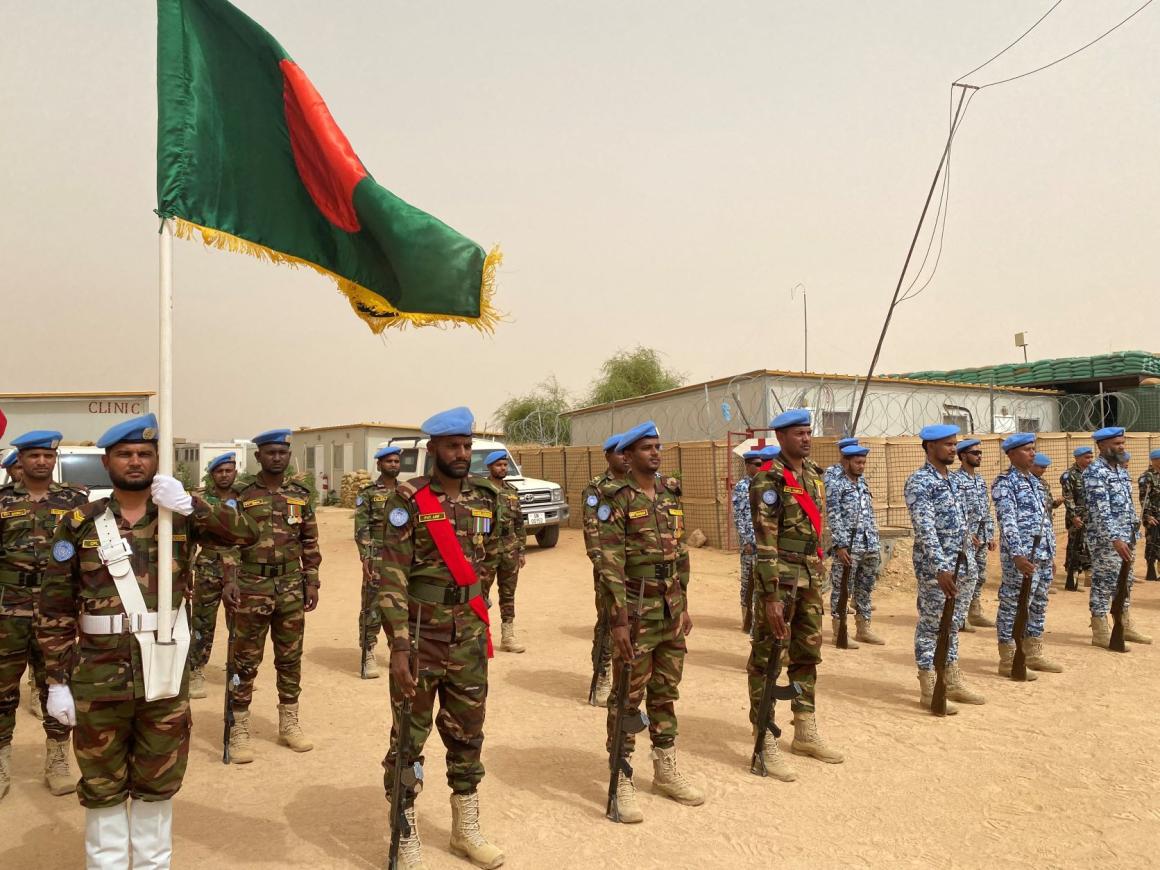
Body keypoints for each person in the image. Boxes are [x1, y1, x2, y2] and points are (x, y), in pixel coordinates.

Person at [37, 413, 256, 868]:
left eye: (144, 454)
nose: (135, 461)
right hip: (98, 675)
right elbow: (55, 607)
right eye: (124, 454)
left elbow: (247, 535)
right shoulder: (80, 523)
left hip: (164, 672)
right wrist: (55, 681)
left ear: (157, 460)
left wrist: (192, 504)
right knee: (102, 785)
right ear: (107, 462)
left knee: (158, 781)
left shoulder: (177, 515)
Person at [375, 407, 504, 868]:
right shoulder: (409, 500)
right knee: (409, 736)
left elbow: (492, 557)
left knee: (467, 732)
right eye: (453, 446)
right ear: (433, 450)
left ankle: (464, 828)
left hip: (468, 636)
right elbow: (391, 576)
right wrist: (398, 645)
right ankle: (404, 828)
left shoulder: (486, 498)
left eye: (467, 445)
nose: (462, 453)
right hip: (420, 635)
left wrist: (475, 605)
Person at [598, 420, 702, 822]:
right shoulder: (616, 499)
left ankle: (664, 768)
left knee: (665, 691)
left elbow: (681, 554)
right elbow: (610, 564)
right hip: (636, 610)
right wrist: (619, 621)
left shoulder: (670, 494)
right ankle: (622, 775)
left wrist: (684, 603)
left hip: (670, 608)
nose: (655, 453)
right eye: (647, 448)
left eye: (658, 446)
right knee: (627, 694)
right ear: (628, 455)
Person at [748, 409, 844, 782]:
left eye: (808, 432)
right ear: (781, 437)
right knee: (769, 657)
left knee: (807, 653)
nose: (806, 439)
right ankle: (765, 737)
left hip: (810, 577)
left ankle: (804, 728)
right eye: (799, 433)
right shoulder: (768, 479)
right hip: (781, 580)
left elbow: (817, 530)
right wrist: (771, 595)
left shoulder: (814, 476)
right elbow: (765, 541)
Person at [0, 430, 88, 801]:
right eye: (33, 455)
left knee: (57, 681)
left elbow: (88, 555)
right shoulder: (3, 501)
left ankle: (57, 759)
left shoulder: (74, 501)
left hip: (58, 608)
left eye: (47, 456)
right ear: (20, 460)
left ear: (55, 459)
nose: (41, 461)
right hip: (9, 607)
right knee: (3, 688)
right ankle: (2, 760)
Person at [224, 429, 321, 763]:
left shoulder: (300, 495)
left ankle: (289, 721)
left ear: (288, 456)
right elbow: (229, 540)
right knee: (245, 659)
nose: (277, 457)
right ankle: (239, 726)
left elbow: (309, 540)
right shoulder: (241, 494)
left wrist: (312, 580)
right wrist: (230, 579)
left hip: (291, 586)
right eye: (270, 452)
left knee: (290, 657)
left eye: (282, 452)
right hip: (252, 585)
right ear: (258, 457)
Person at [904, 424, 985, 714]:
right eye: (948, 444)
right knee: (932, 625)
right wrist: (940, 567)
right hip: (937, 570)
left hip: (963, 565)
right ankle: (930, 686)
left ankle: (950, 678)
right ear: (930, 447)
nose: (953, 449)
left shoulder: (954, 481)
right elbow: (925, 528)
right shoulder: (919, 482)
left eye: (954, 444)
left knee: (952, 625)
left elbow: (966, 523)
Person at [991, 437, 1061, 676]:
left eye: (1033, 449)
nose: (1032, 453)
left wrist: (1050, 555)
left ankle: (1033, 653)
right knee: (1013, 606)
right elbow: (1007, 521)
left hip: (1042, 555)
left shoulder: (1036, 483)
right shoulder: (1005, 483)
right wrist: (1018, 555)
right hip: (1022, 558)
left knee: (1039, 604)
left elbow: (1045, 522)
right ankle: (1009, 658)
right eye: (1027, 450)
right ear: (1011, 454)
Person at [1083, 427, 1151, 647]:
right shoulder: (1095, 472)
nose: (1122, 447)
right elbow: (1100, 510)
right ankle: (1100, 630)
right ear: (1102, 446)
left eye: (1123, 443)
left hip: (1126, 537)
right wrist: (1115, 538)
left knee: (1125, 581)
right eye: (1117, 443)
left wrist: (1133, 530)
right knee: (1104, 582)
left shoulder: (1120, 470)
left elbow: (1127, 504)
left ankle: (1124, 624)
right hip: (1107, 541)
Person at [188, 452, 242, 698]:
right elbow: (189, 538)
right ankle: (196, 670)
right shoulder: (199, 500)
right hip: (208, 565)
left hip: (238, 568)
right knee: (202, 622)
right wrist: (185, 572)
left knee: (239, 622)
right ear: (212, 475)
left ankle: (237, 672)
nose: (224, 475)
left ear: (235, 472)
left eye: (228, 470)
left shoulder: (245, 498)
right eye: (219, 471)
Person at [581, 434, 626, 706]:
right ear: (607, 456)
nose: (624, 457)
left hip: (637, 568)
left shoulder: (639, 484)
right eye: (619, 452)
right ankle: (602, 675)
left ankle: (627, 678)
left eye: (626, 451)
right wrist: (603, 567)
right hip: (609, 568)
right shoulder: (596, 488)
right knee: (609, 621)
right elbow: (592, 530)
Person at [824, 443, 883, 647]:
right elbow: (834, 515)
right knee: (842, 589)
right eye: (858, 462)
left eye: (864, 462)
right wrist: (840, 545)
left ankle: (863, 629)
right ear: (847, 462)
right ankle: (840, 631)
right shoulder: (837, 483)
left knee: (865, 588)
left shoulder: (862, 483)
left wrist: (874, 541)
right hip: (849, 546)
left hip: (869, 544)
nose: (861, 466)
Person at [354, 445, 402, 678]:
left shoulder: (407, 491)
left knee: (400, 604)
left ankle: (398, 650)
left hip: (402, 556)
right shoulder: (369, 492)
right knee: (372, 605)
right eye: (389, 461)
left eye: (396, 461)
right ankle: (368, 652)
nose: (393, 464)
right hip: (377, 555)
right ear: (379, 464)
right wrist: (366, 555)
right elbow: (361, 527)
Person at [951, 439, 996, 632]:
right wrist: (967, 534)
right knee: (963, 576)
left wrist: (990, 534)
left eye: (980, 453)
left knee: (980, 575)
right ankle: (958, 616)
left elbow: (986, 510)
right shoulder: (955, 481)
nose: (979, 456)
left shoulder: (980, 480)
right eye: (975, 453)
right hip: (965, 538)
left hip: (981, 536)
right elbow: (955, 512)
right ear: (962, 456)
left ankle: (974, 612)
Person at [485, 450, 528, 653]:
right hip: (487, 551)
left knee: (508, 594)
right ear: (490, 467)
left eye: (504, 465)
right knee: (480, 594)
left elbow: (519, 523)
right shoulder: (481, 491)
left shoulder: (512, 491)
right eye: (498, 465)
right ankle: (481, 635)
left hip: (510, 550)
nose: (503, 468)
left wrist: (521, 550)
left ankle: (508, 636)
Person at [731, 449, 764, 633]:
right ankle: (747, 617)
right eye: (757, 464)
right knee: (747, 581)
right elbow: (739, 517)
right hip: (750, 543)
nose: (760, 467)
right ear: (747, 466)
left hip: (765, 543)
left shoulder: (765, 484)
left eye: (762, 464)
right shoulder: (742, 487)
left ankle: (758, 616)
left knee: (762, 581)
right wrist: (746, 541)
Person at [1061, 446, 1094, 590]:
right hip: (1077, 517)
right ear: (1077, 458)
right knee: (1075, 546)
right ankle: (1072, 576)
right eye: (1087, 457)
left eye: (1091, 457)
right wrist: (1073, 516)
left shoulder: (1093, 473)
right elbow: (1068, 498)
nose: (1090, 460)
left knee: (1090, 545)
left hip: (1091, 517)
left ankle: (1089, 576)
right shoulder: (1069, 475)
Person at [1138, 449, 1160, 582]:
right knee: (1152, 543)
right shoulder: (1147, 477)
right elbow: (1144, 498)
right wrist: (1148, 516)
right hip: (1153, 517)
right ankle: (1151, 568)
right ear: (1155, 460)